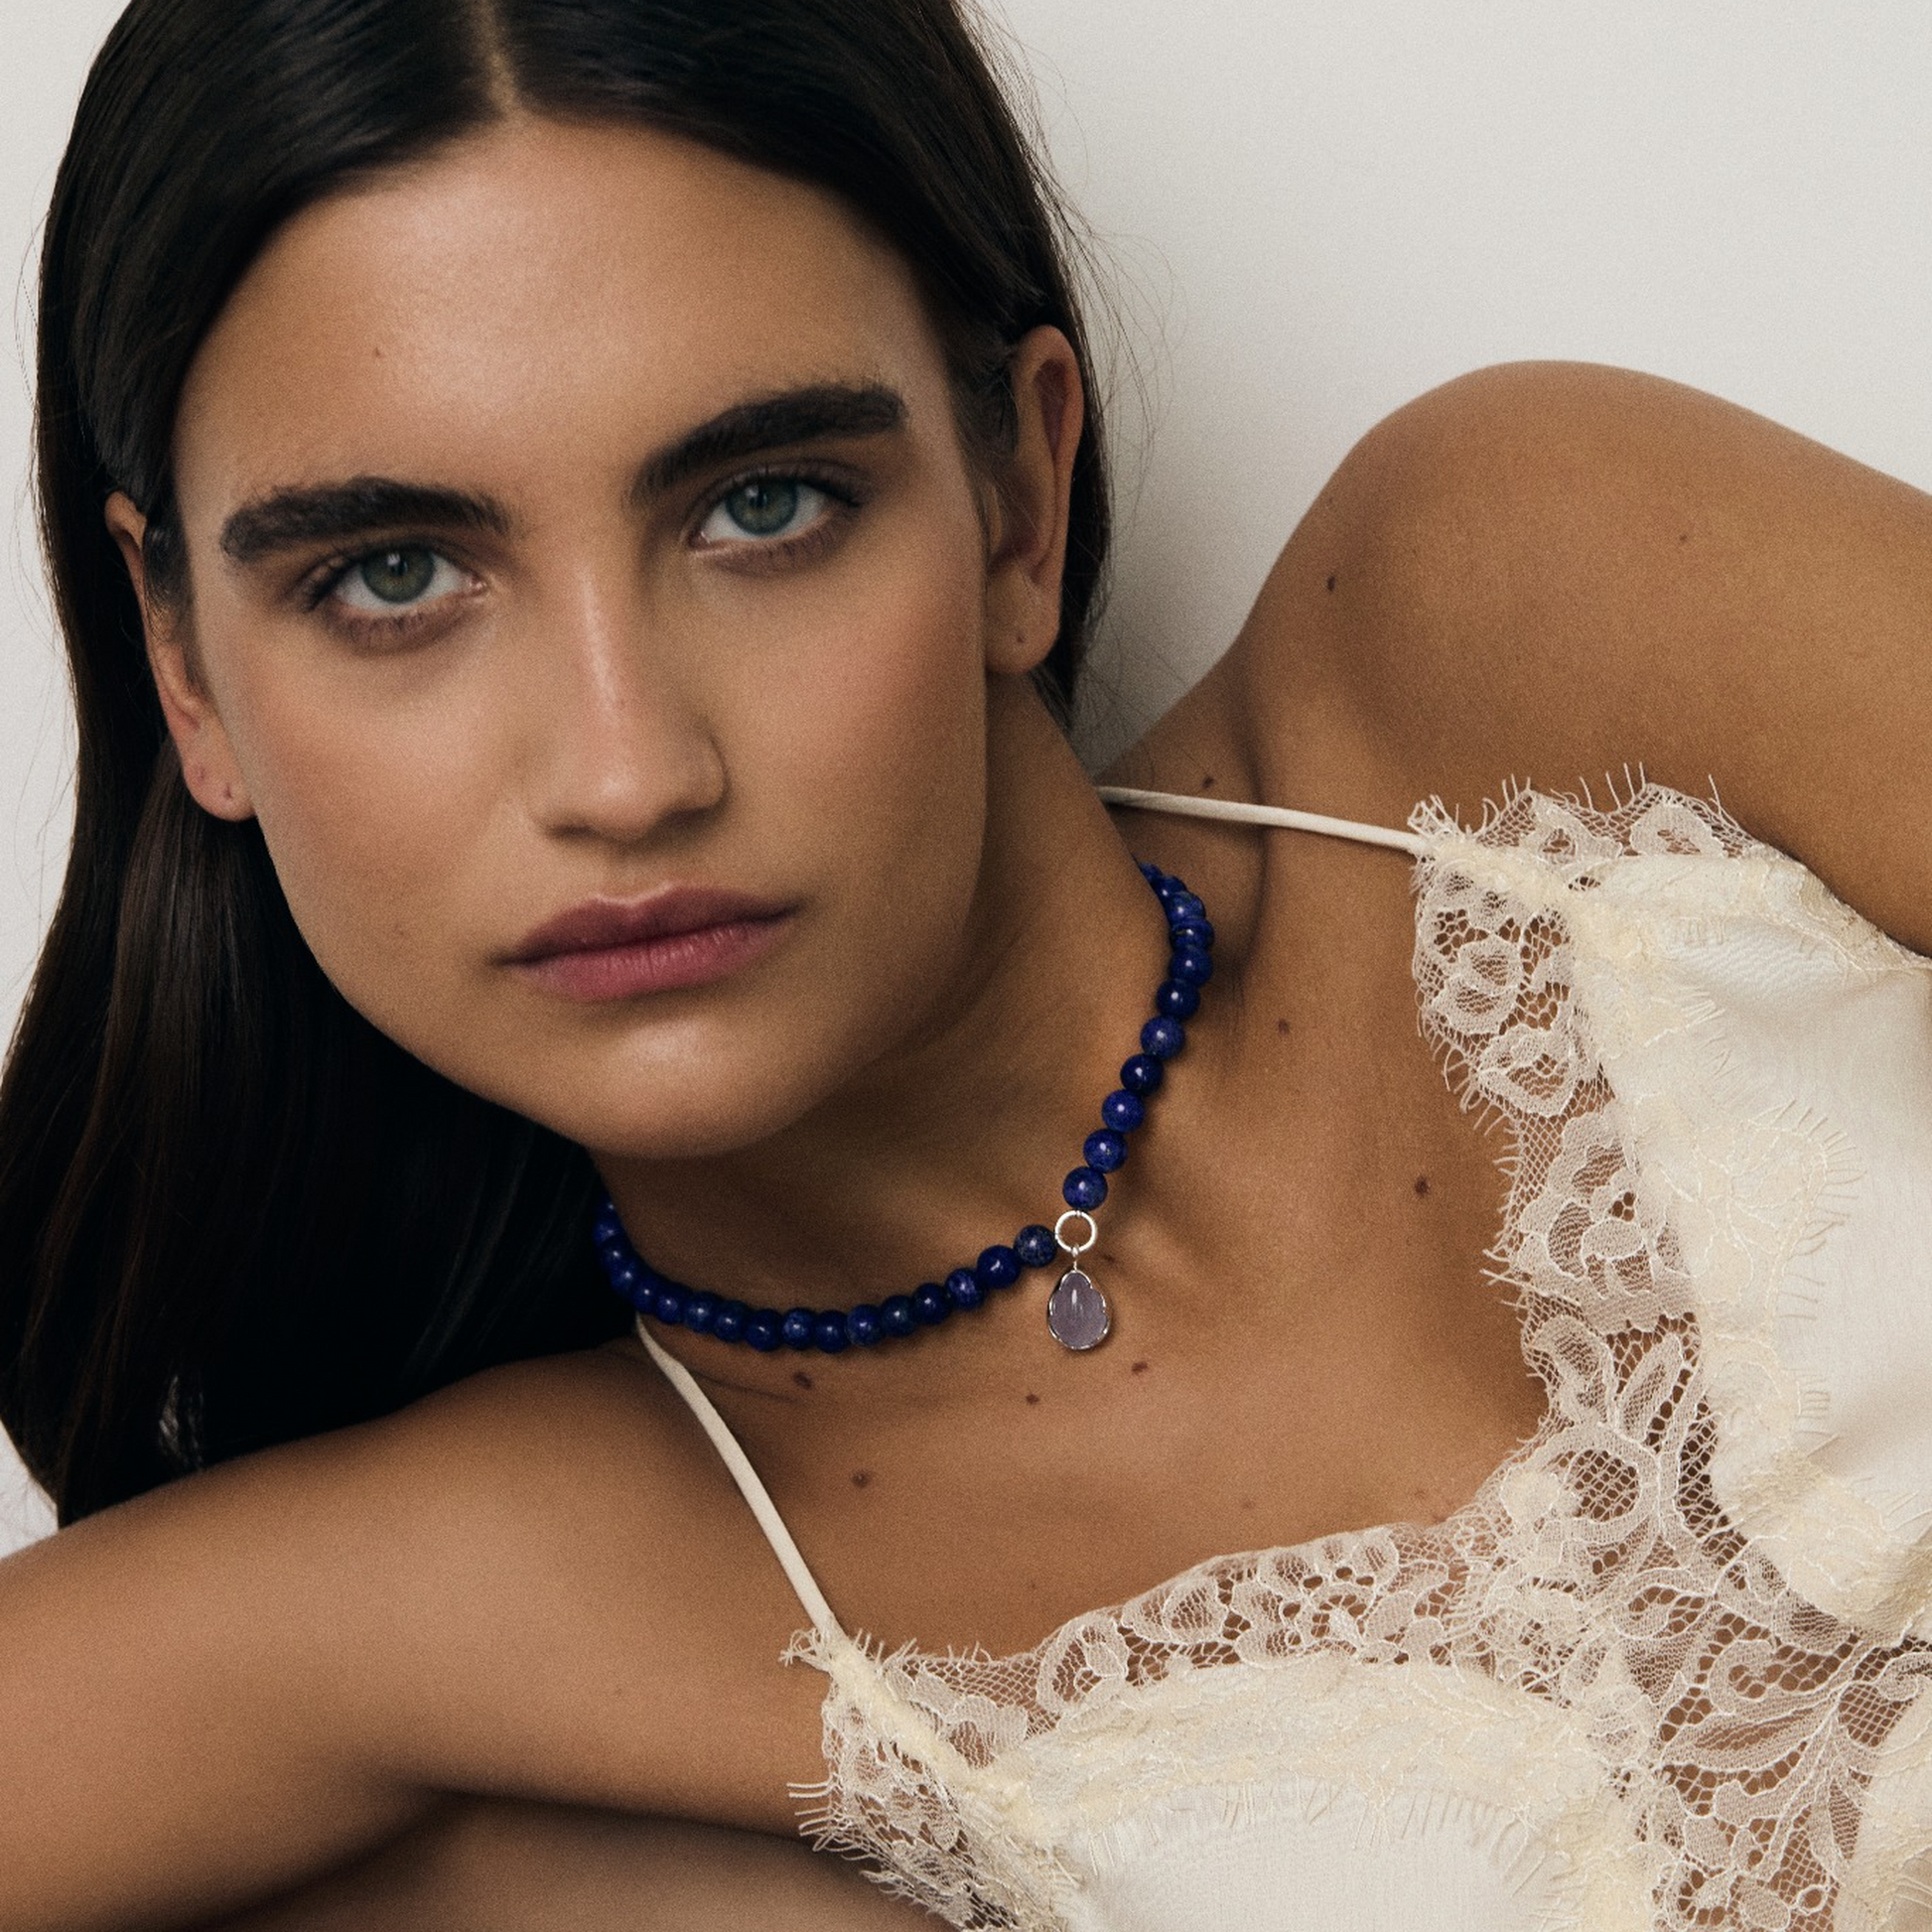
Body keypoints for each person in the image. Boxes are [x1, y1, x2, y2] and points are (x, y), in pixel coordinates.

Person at [4, 0, 1930, 1926]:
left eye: (764, 506)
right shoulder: (446, 1606)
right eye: (395, 576)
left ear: (1018, 490)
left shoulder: (1526, 623)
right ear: (186, 665)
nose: (626, 768)